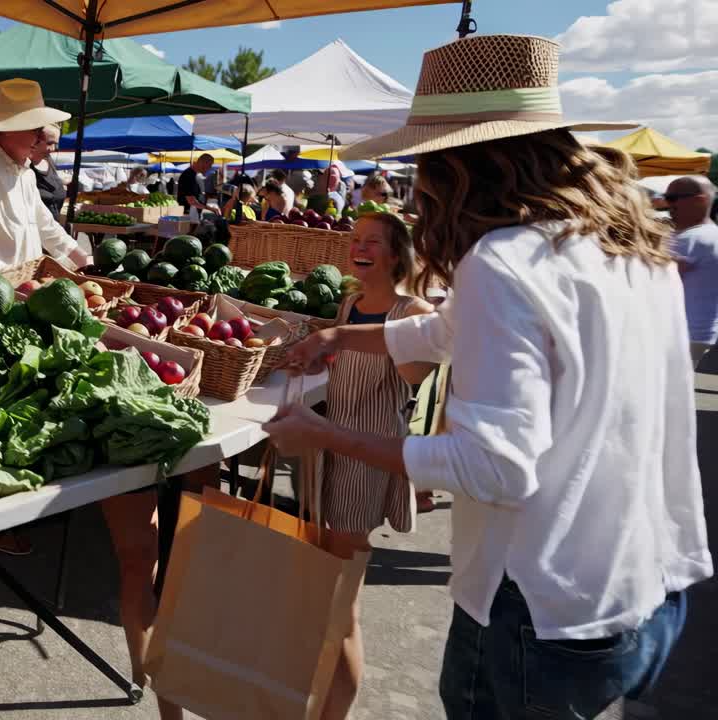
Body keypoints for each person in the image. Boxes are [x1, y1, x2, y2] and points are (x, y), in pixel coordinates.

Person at [270, 35, 709, 720]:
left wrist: (326, 435)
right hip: (642, 587)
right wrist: (337, 334)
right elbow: (442, 332)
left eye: (423, 167)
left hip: (537, 601)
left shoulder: (503, 260)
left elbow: (493, 466)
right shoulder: (628, 244)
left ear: (458, 167)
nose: (417, 192)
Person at [315, 211, 435, 719]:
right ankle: (321, 701)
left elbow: (411, 375)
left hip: (366, 460)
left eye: (372, 242)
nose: (358, 248)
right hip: (330, 452)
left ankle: (334, 712)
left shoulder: (415, 311)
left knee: (342, 610)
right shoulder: (349, 303)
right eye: (355, 240)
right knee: (329, 602)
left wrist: (401, 328)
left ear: (396, 254)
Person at [0, 78, 89, 280]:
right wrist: (7, 280)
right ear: (9, 130)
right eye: (36, 129)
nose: (40, 137)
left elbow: (45, 225)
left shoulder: (26, 174)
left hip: (27, 290)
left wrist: (83, 259)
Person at [665, 176, 718, 367]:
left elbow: (650, 282)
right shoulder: (712, 234)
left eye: (673, 198)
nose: (667, 203)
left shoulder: (690, 239)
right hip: (702, 333)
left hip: (681, 333)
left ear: (700, 200)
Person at [30, 124, 65, 221]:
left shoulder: (49, 160)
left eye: (56, 144)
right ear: (33, 140)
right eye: (49, 143)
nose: (53, 149)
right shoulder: (23, 169)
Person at [175, 153, 215, 220]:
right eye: (209, 165)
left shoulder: (193, 175)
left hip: (192, 214)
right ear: (203, 163)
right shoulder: (188, 176)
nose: (209, 168)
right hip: (188, 216)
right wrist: (210, 209)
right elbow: (192, 202)